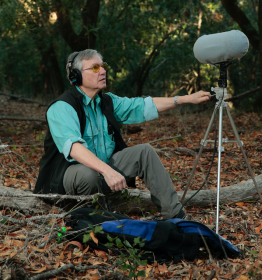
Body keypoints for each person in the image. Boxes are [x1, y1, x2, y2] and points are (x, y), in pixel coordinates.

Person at [34, 49, 211, 219]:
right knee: (88, 173)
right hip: (67, 180)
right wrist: (107, 171)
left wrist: (186, 99)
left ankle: (175, 217)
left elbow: (142, 105)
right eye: (95, 68)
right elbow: (74, 148)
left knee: (144, 152)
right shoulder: (62, 107)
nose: (102, 71)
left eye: (103, 66)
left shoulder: (106, 101)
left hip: (103, 171)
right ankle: (95, 222)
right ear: (76, 76)